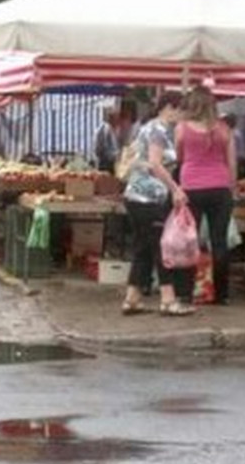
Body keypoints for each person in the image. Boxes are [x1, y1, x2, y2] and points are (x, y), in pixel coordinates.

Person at [122, 91, 190, 316]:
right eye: (181, 110)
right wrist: (175, 188)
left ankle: (132, 297)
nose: (183, 115)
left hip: (138, 196)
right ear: (169, 107)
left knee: (143, 247)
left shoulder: (154, 128)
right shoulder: (159, 130)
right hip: (148, 197)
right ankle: (168, 299)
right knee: (161, 247)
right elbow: (156, 164)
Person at [175, 87, 236, 306]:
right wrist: (233, 188)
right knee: (219, 242)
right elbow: (232, 163)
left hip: (191, 187)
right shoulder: (224, 129)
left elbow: (179, 157)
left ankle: (185, 293)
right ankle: (222, 295)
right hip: (220, 188)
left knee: (190, 241)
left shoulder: (182, 128)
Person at [92, 106, 122, 174]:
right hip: (105, 165)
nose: (117, 120)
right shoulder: (101, 131)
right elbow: (98, 150)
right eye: (114, 117)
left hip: (115, 164)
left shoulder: (118, 129)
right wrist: (114, 155)